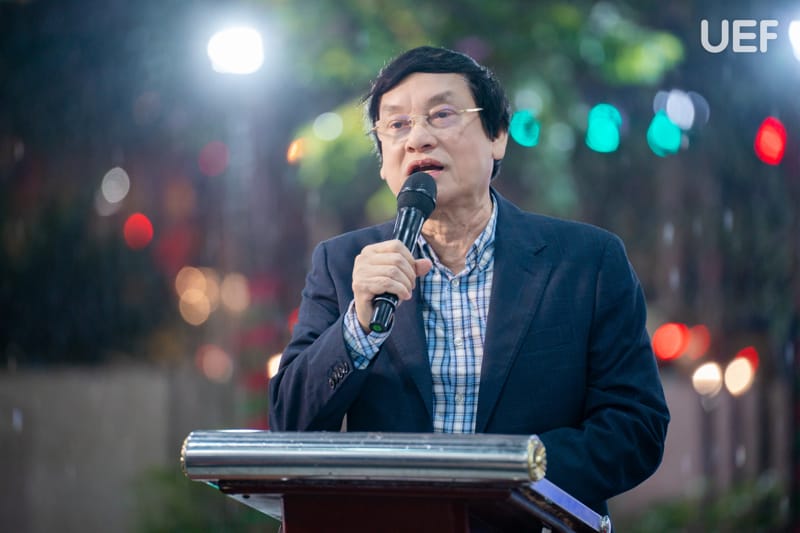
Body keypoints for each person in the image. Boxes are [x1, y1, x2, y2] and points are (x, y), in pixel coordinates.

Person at [269, 45, 670, 516]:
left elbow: (635, 428)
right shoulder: (342, 265)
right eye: (396, 125)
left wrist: (507, 477)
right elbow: (289, 424)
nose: (417, 138)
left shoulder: (587, 261)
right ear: (383, 161)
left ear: (497, 137)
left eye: (441, 115)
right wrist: (357, 328)